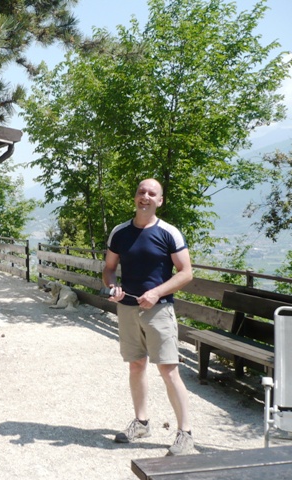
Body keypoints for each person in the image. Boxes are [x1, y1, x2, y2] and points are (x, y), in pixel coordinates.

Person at [102, 178, 195, 456]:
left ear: (160, 200)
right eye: (141, 192)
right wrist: (112, 287)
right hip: (128, 308)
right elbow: (108, 268)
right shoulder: (120, 232)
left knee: (168, 370)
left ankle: (185, 433)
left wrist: (156, 293)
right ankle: (141, 422)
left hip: (159, 310)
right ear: (135, 197)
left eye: (151, 194)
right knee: (136, 366)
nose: (145, 197)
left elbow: (186, 272)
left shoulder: (169, 233)